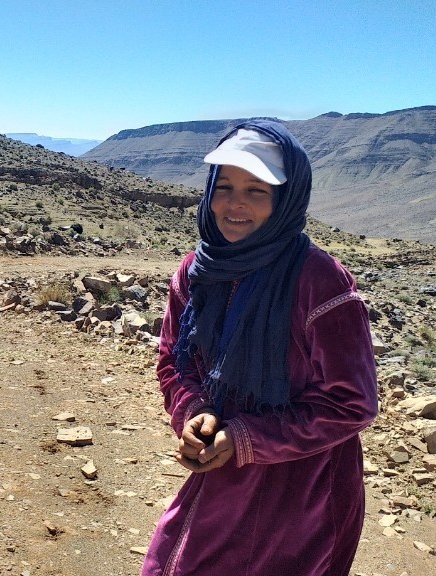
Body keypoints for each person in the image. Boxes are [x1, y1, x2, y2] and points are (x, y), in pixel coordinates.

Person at [141, 120, 378, 576]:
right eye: (224, 186)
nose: (235, 204)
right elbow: (174, 358)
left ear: (286, 199)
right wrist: (194, 412)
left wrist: (249, 438)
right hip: (223, 470)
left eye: (257, 190)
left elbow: (352, 403)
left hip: (303, 490)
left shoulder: (318, 280)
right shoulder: (197, 271)